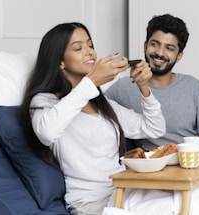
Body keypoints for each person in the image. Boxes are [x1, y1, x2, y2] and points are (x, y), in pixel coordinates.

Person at [19, 22, 166, 215]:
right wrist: (91, 82)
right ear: (59, 61)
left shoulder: (101, 103)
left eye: (90, 45)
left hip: (123, 192)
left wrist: (143, 86)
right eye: (79, 48)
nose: (90, 52)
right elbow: (47, 133)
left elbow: (154, 128)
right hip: (90, 203)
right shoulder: (47, 102)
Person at [105, 14, 199, 150]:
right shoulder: (122, 87)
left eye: (169, 48)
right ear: (145, 46)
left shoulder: (192, 86)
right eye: (154, 44)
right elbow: (94, 113)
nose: (160, 53)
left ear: (179, 56)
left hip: (188, 161)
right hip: (150, 165)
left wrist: (193, 150)